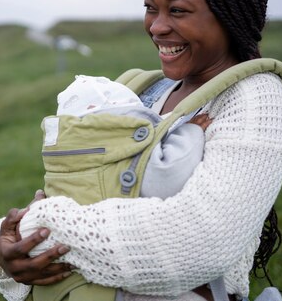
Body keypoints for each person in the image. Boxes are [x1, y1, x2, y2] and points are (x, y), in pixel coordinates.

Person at [0, 0, 282, 301]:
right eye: (151, 7)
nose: (156, 26)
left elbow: (199, 241)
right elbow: (74, 187)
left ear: (231, 14)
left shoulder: (256, 97)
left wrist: (39, 231)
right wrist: (5, 249)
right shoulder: (138, 92)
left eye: (178, 10)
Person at [23, 74, 212, 257]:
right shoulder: (125, 149)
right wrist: (190, 132)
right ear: (121, 123)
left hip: (62, 265)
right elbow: (168, 177)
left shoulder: (64, 158)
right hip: (121, 263)